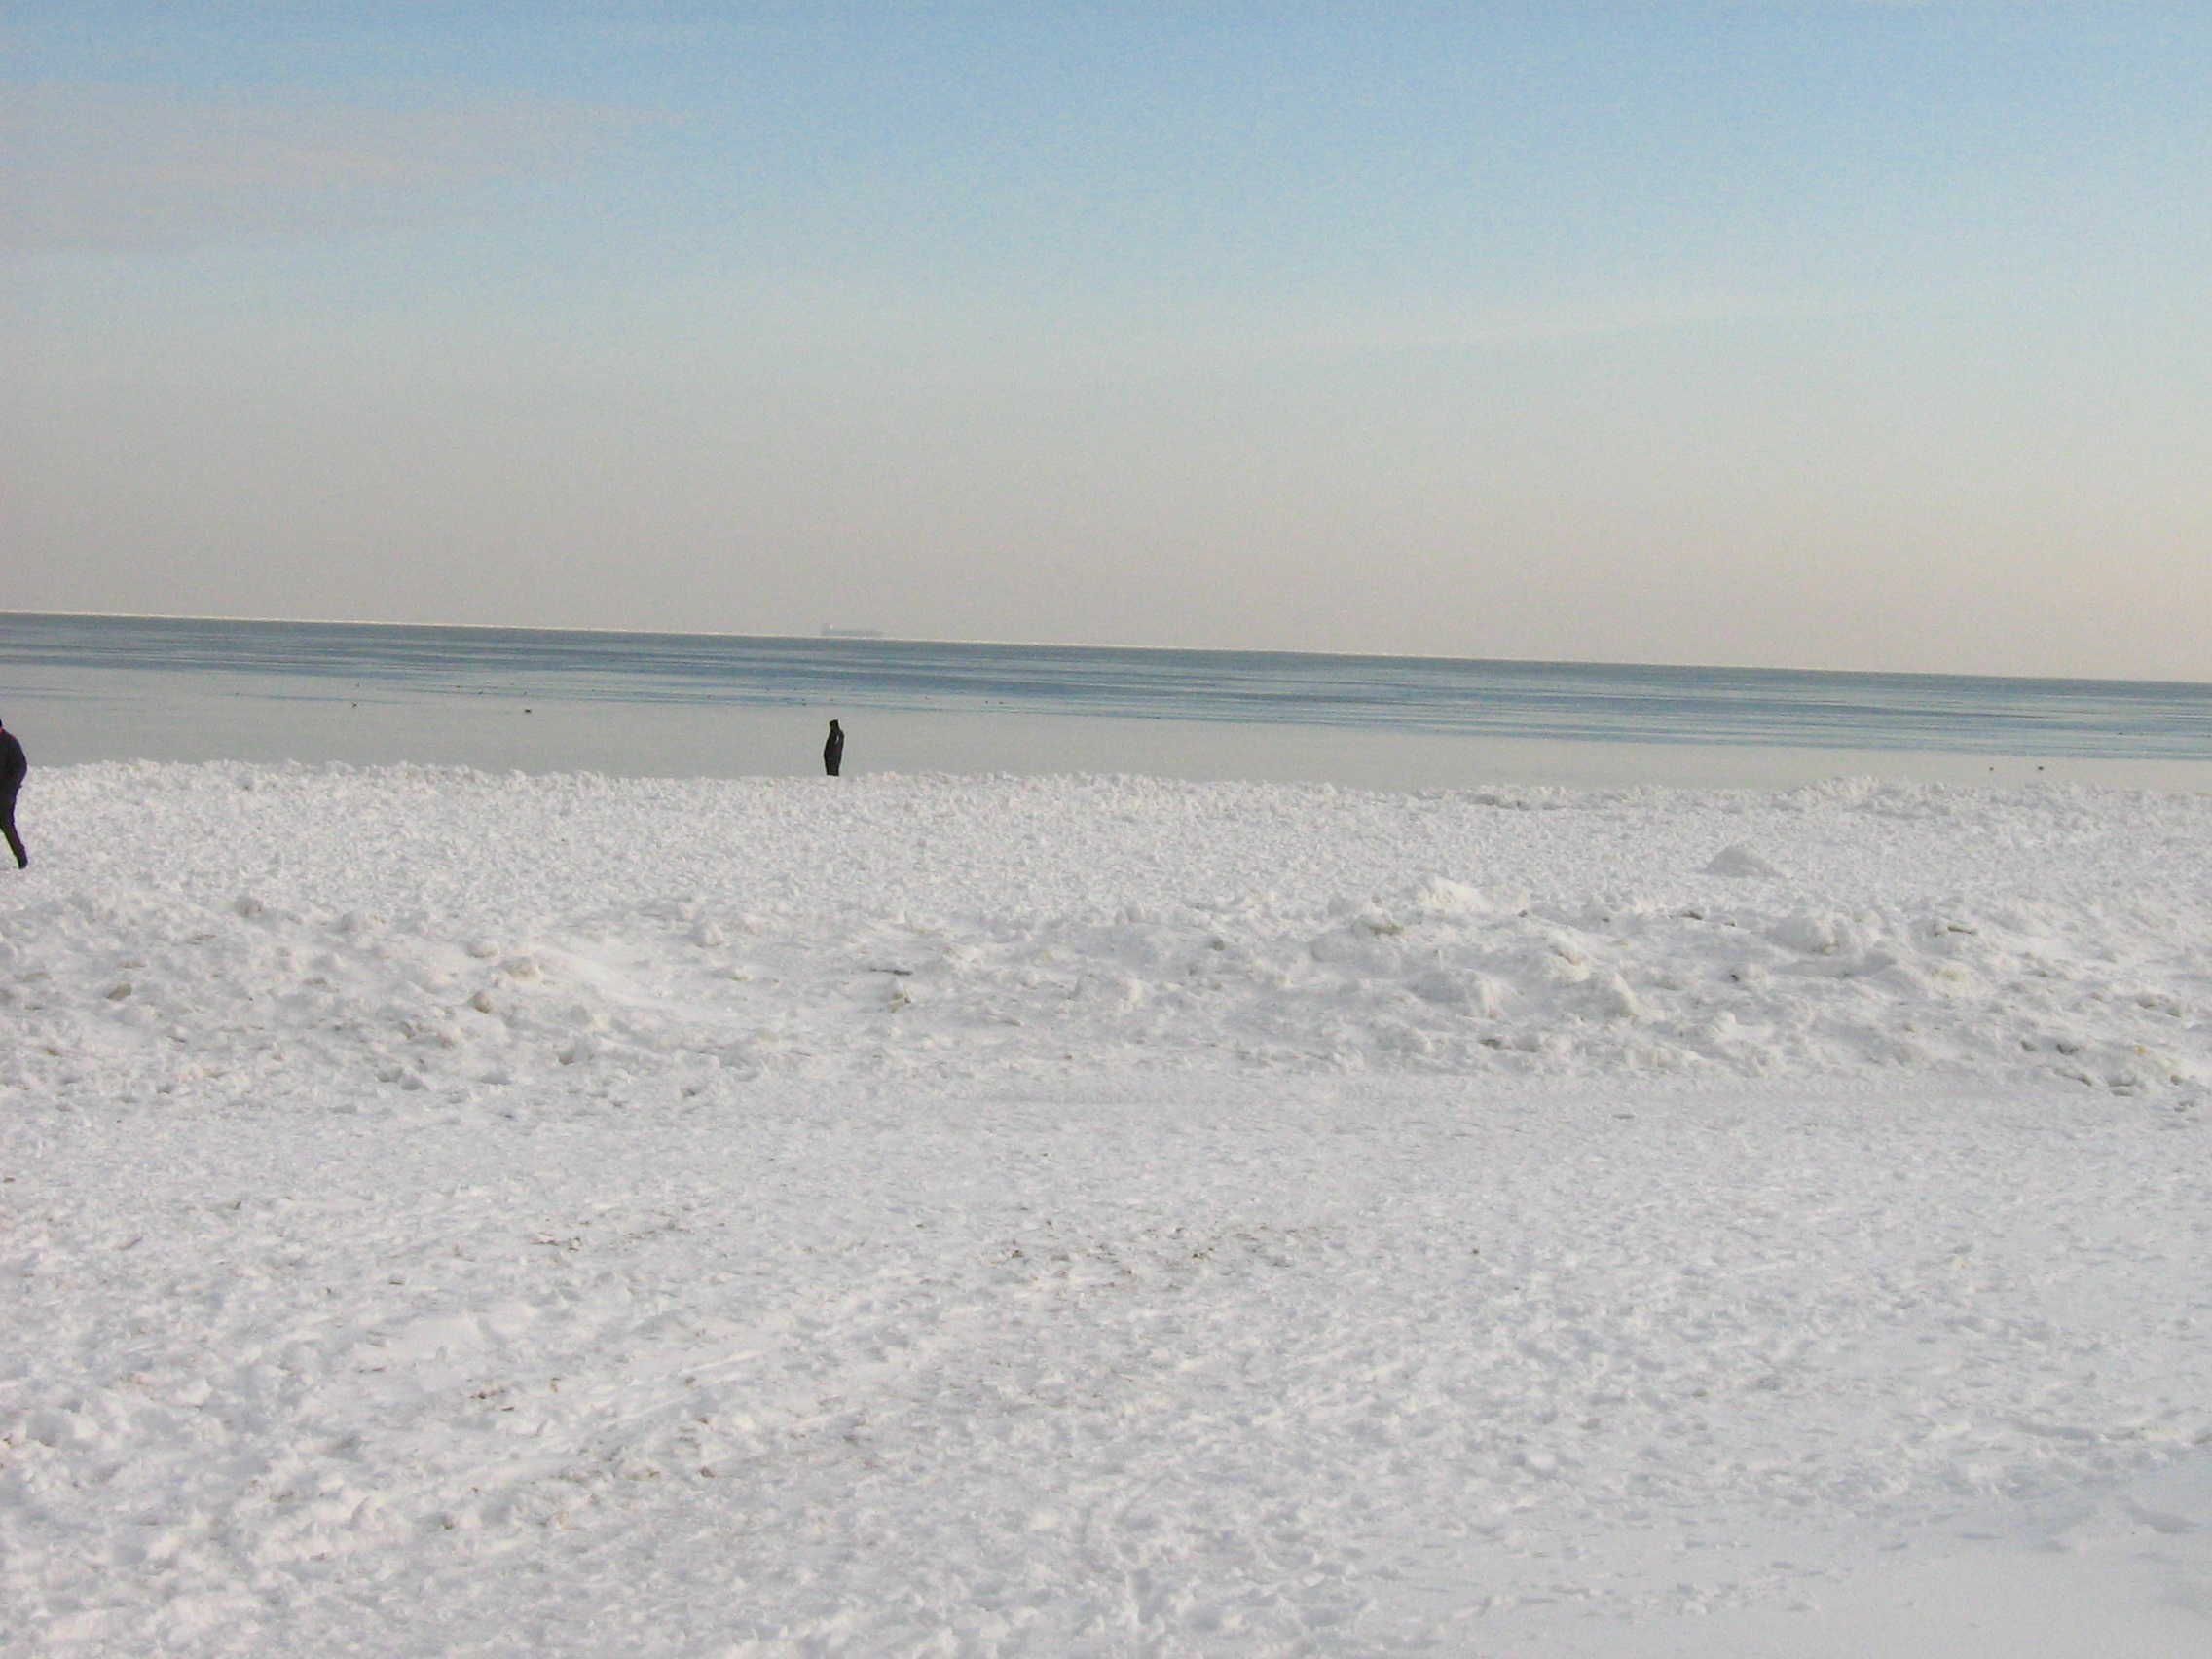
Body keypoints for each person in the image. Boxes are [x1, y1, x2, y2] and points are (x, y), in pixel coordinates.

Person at [0, 717, 26, 869]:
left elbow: (20, 767)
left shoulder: (10, 743)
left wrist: (10, 789)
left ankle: (21, 858)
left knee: (6, 824)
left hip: (5, 794)